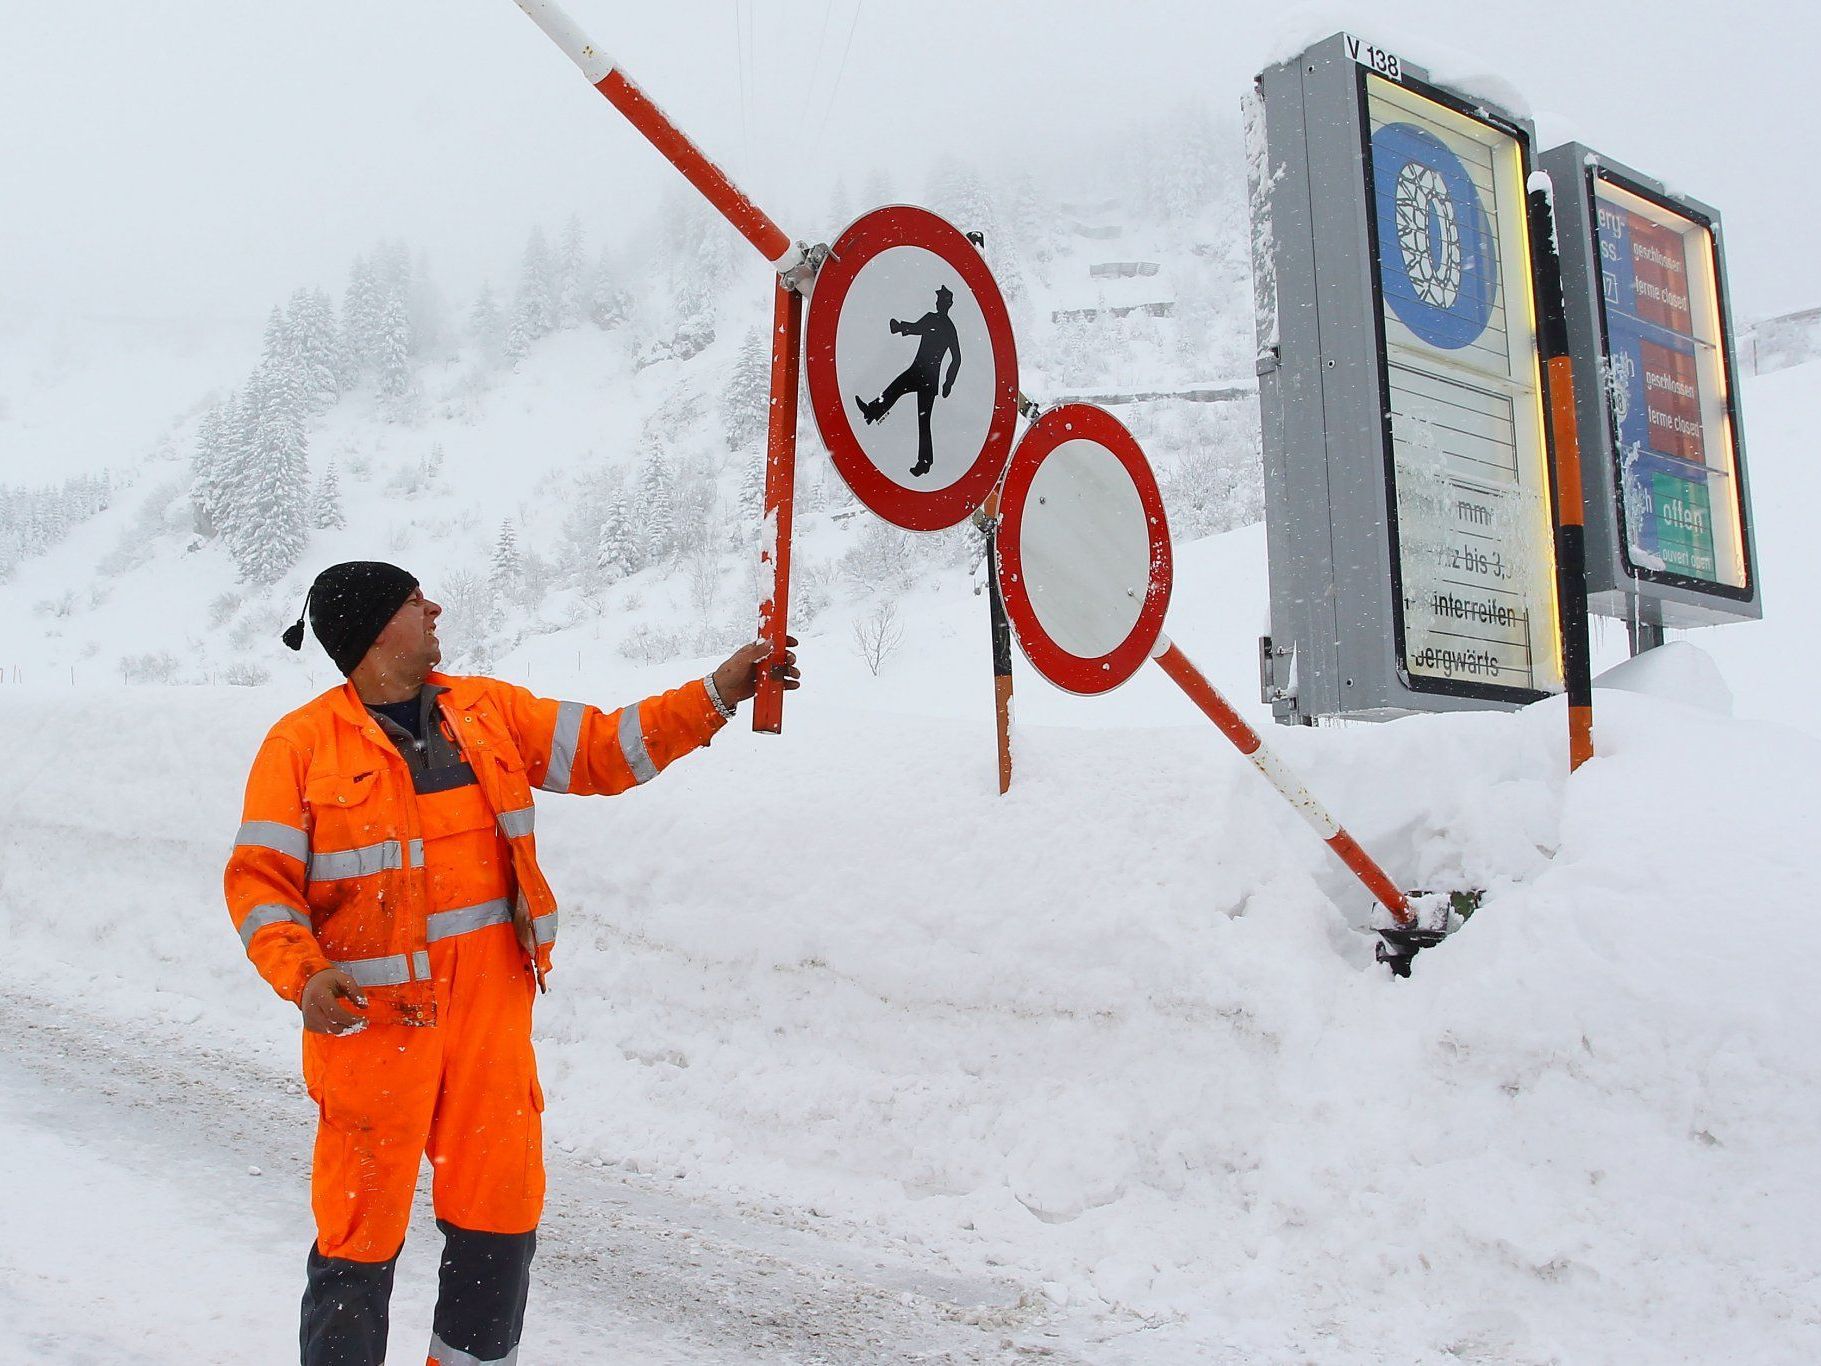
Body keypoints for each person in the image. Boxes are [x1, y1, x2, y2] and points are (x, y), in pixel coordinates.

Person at [223, 560, 799, 1366]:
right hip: (371, 1042)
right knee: (356, 1251)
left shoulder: (486, 712)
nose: (434, 609)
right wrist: (304, 974)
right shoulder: (302, 745)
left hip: (489, 1033)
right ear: (372, 629)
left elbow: (603, 749)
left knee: (499, 1231)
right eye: (413, 600)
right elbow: (260, 883)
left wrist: (715, 693)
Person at [853, 282, 962, 477]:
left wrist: (949, 382)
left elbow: (957, 357)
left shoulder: (946, 326)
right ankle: (871, 412)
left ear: (946, 304)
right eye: (937, 299)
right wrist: (899, 327)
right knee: (894, 391)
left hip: (927, 377)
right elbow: (916, 328)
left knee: (922, 419)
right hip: (921, 373)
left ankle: (924, 463)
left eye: (940, 299)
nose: (937, 302)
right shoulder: (937, 321)